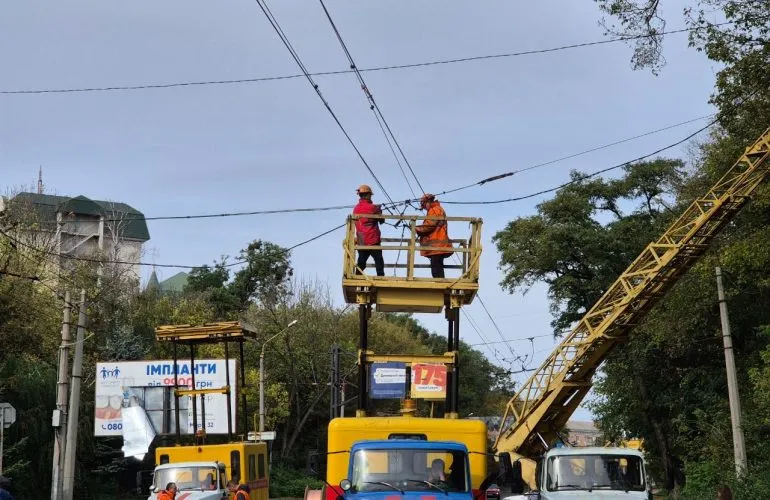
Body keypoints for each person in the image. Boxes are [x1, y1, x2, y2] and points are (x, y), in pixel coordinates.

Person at [416, 194, 453, 278]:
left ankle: (440, 285)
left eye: (424, 205)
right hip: (438, 245)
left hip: (437, 245)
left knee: (436, 269)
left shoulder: (434, 210)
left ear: (428, 202)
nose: (424, 207)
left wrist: (416, 229)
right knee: (437, 267)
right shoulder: (436, 209)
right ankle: (441, 284)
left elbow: (429, 226)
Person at [353, 184, 385, 277]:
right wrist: (379, 210)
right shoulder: (373, 208)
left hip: (361, 239)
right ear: (367, 195)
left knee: (361, 261)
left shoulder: (356, 208)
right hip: (373, 239)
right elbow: (382, 220)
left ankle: (357, 277)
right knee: (379, 260)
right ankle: (381, 278)